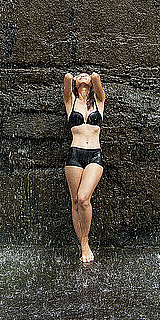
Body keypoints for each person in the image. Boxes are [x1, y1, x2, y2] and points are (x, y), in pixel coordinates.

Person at [63, 71, 105, 263]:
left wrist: (91, 77)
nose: (83, 76)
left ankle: (86, 240)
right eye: (79, 76)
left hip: (94, 154)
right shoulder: (70, 101)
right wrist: (74, 79)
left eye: (85, 76)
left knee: (83, 198)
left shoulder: (99, 101)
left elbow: (96, 78)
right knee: (75, 202)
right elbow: (66, 78)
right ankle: (82, 245)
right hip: (74, 155)